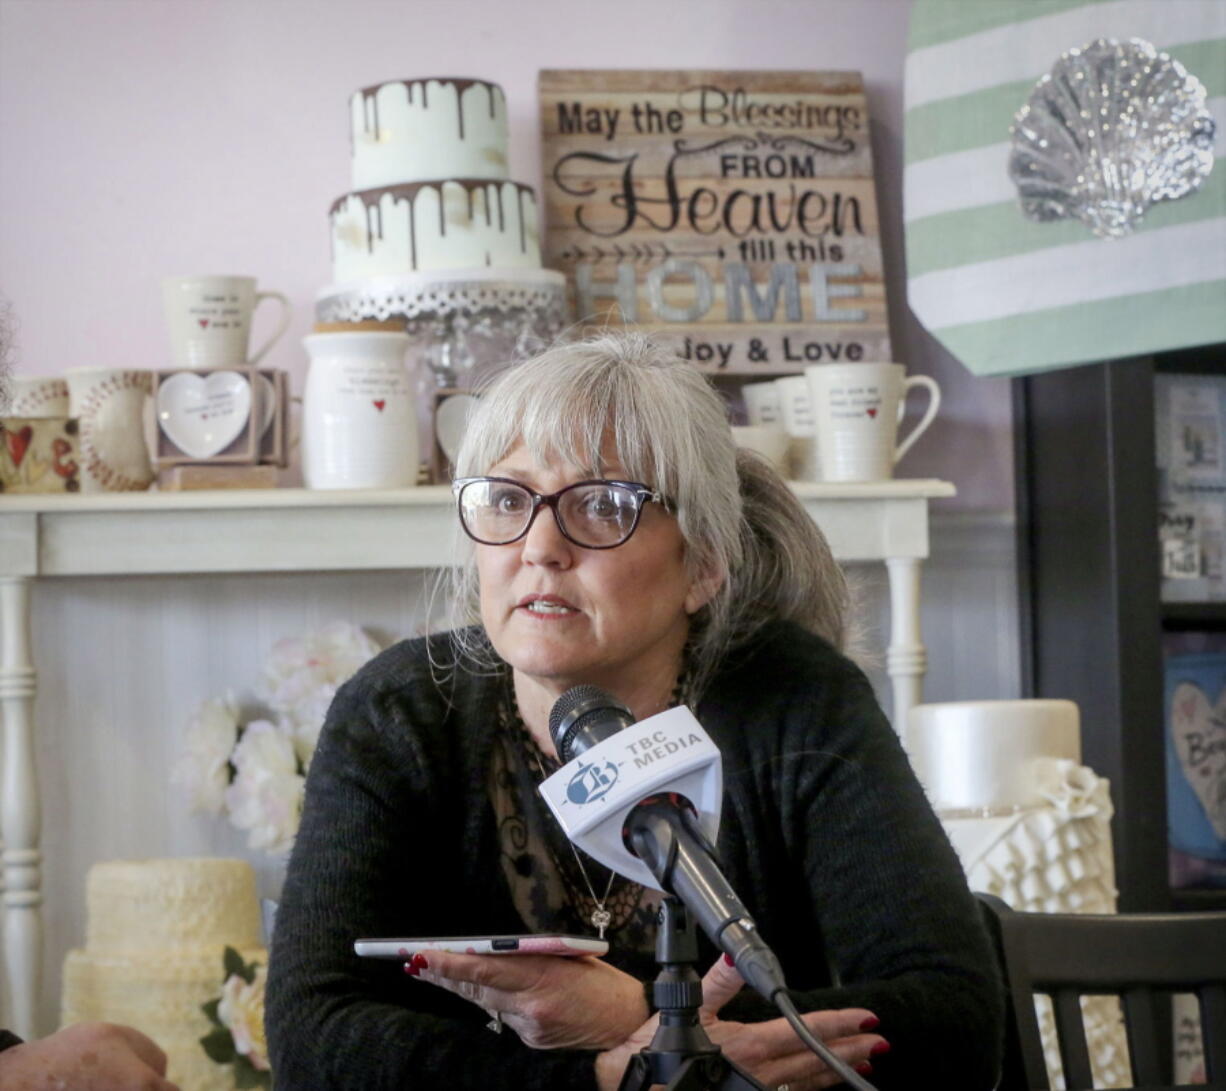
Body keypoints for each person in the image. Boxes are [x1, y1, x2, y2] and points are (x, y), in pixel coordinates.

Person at [265, 332, 1004, 1090]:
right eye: (509, 498)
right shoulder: (397, 710)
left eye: (603, 503)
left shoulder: (794, 698)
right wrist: (618, 1077)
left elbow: (957, 1022)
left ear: (704, 563)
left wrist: (637, 1015)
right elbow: (311, 1035)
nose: (540, 545)